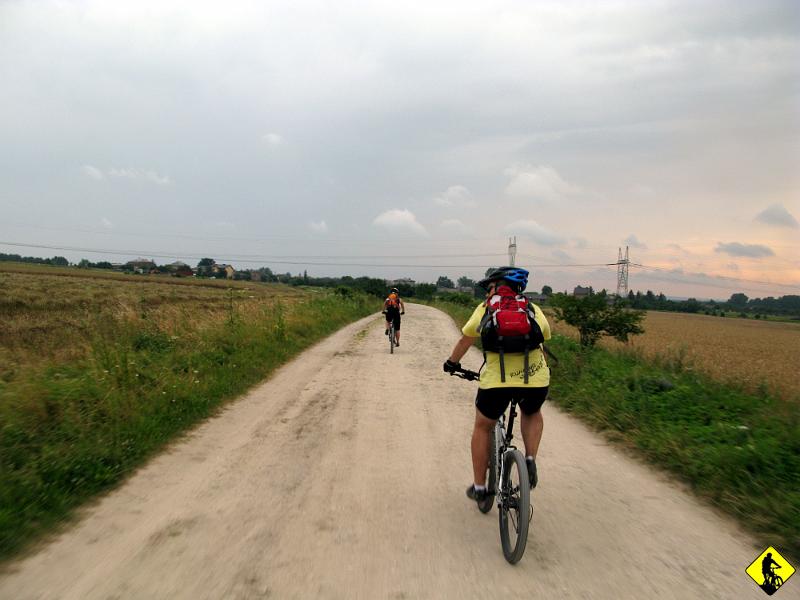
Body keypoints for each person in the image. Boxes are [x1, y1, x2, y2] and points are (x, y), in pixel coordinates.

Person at [443, 267, 551, 504]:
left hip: (496, 384)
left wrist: (452, 363)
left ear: (497, 287)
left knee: (483, 426)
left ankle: (480, 487)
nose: (486, 294)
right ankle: (530, 459)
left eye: (489, 288)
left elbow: (466, 339)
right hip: (534, 379)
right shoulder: (532, 309)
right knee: (532, 411)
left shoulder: (486, 309)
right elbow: (543, 337)